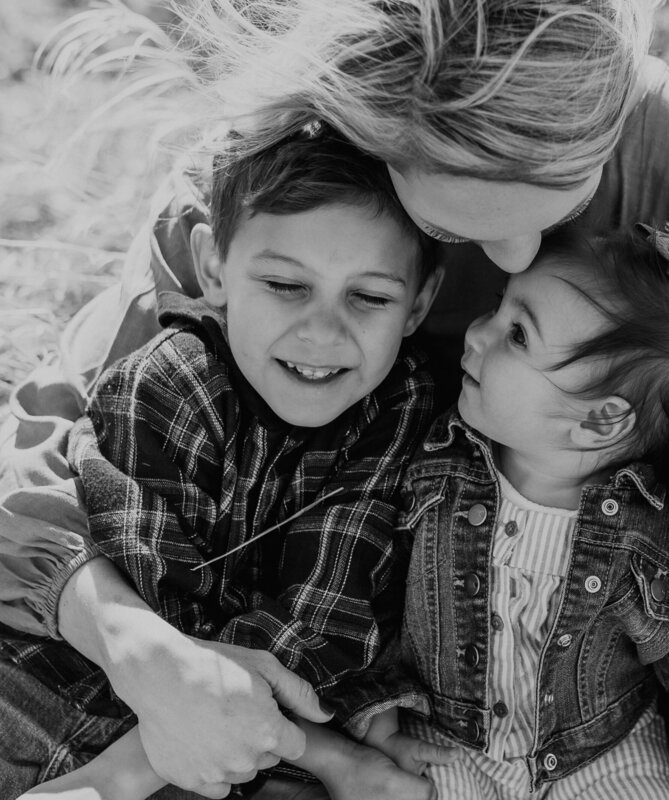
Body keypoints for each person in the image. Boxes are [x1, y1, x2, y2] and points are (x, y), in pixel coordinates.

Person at [0, 0, 669, 794]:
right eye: (458, 226)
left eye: (555, 206)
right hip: (329, 556)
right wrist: (143, 653)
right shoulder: (293, 163)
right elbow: (53, 436)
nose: (510, 266)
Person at [1, 124, 453, 799]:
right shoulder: (172, 383)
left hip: (226, 758)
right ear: (213, 269)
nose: (324, 332)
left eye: (370, 297)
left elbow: (326, 614)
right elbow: (161, 633)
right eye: (285, 284)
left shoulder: (398, 412)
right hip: (44, 685)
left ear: (417, 303)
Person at [390, 202, 669, 800]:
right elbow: (369, 584)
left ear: (598, 422)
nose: (477, 332)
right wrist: (369, 710)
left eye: (517, 334)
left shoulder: (648, 535)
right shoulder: (431, 465)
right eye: (499, 307)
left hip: (598, 751)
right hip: (444, 738)